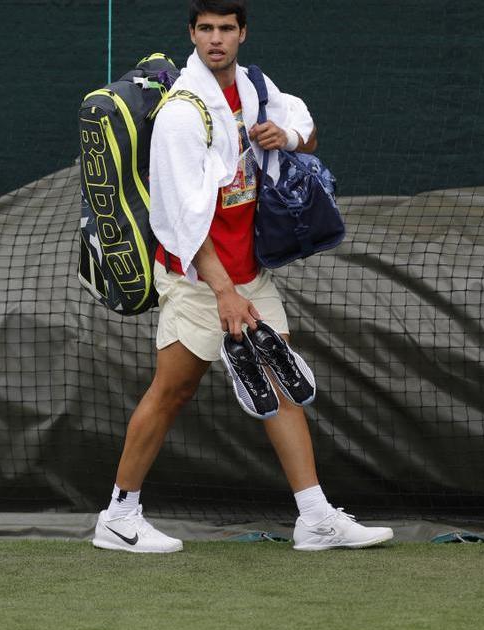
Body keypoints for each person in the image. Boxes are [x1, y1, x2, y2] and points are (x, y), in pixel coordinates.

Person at [92, 0, 392, 554]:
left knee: (280, 381)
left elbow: (309, 130)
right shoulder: (182, 112)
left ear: (242, 33)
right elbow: (181, 217)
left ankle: (315, 518)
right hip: (198, 278)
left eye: (226, 29)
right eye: (205, 29)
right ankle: (118, 515)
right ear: (192, 34)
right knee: (172, 390)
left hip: (249, 272)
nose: (216, 39)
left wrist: (288, 138)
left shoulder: (255, 86)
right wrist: (224, 293)